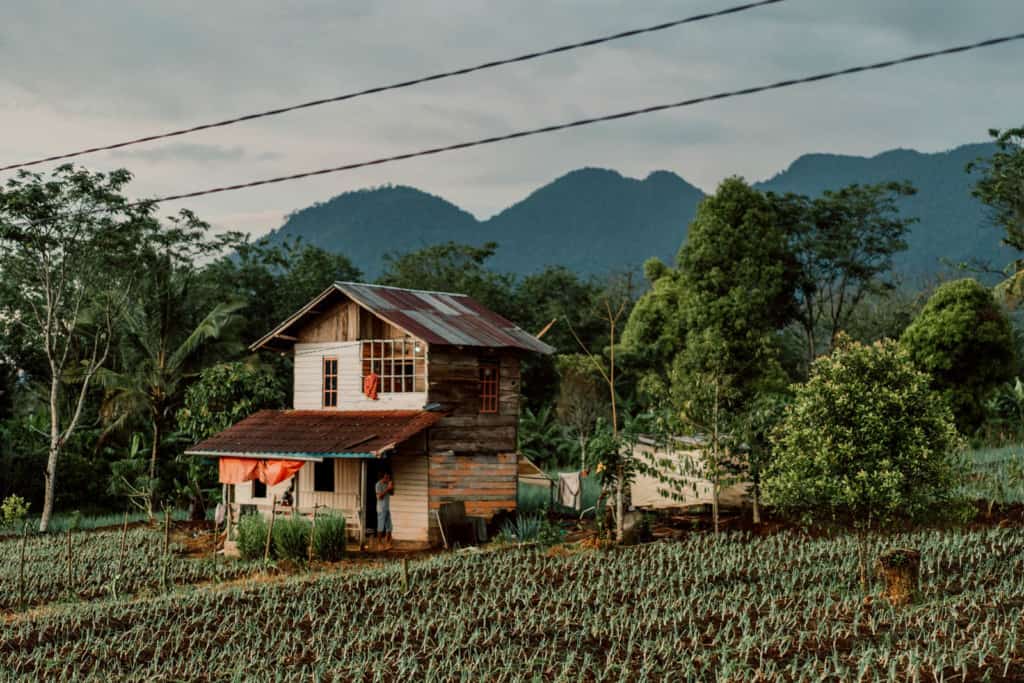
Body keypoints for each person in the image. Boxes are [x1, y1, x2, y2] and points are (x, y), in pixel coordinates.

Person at [374, 471, 394, 549]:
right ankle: (379, 543)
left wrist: (391, 487)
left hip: (387, 508)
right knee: (381, 526)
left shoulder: (387, 484)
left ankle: (388, 543)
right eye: (386, 477)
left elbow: (392, 493)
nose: (388, 479)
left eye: (388, 477)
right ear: (383, 477)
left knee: (389, 526)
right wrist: (387, 489)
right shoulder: (378, 484)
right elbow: (379, 497)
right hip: (381, 508)